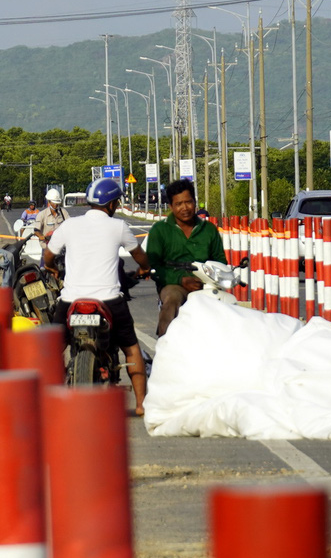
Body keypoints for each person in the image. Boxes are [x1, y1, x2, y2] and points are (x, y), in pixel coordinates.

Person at [45, 176, 150, 414]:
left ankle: (44, 399)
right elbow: (140, 257)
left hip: (71, 300)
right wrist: (144, 269)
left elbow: (49, 256)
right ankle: (142, 404)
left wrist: (51, 268)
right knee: (131, 348)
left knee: (51, 350)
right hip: (109, 301)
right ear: (111, 204)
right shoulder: (119, 227)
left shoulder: (69, 225)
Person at [145, 179, 227, 338]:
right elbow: (153, 267)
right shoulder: (159, 231)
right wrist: (181, 279)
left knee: (227, 306)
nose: (185, 208)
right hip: (174, 285)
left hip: (206, 284)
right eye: (179, 204)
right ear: (171, 206)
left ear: (195, 202)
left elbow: (220, 261)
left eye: (188, 202)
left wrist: (209, 278)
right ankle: (165, 347)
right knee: (172, 299)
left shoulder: (208, 230)